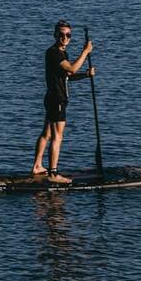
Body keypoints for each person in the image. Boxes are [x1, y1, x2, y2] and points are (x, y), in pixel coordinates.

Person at [31, 20, 95, 183]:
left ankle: (37, 166)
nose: (64, 37)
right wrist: (85, 52)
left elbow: (68, 76)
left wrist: (86, 75)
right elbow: (72, 68)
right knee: (57, 137)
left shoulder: (62, 54)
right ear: (55, 35)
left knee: (47, 133)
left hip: (53, 98)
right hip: (57, 99)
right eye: (61, 34)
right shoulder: (54, 53)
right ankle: (53, 174)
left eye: (68, 35)